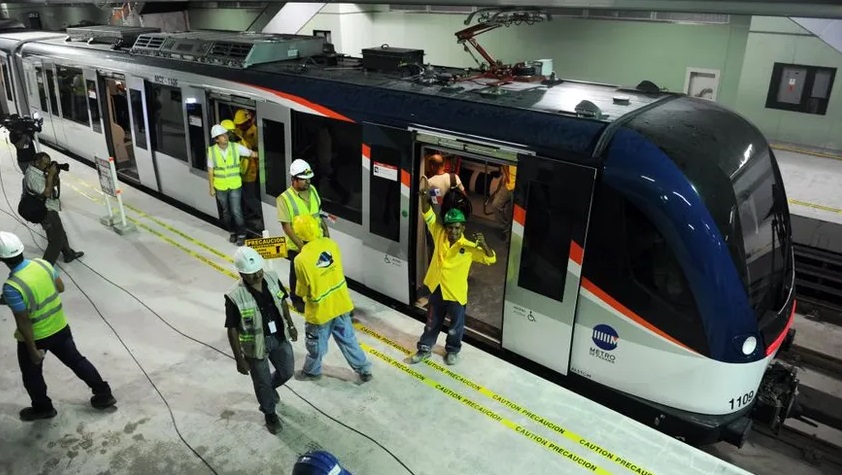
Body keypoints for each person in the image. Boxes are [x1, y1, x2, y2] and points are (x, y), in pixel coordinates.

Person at [0, 231, 115, 421]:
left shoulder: (12, 287)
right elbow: (60, 288)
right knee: (77, 361)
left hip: (37, 337)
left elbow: (23, 322)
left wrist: (33, 350)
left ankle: (43, 408)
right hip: (60, 328)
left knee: (32, 375)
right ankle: (103, 394)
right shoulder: (42, 264)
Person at [410, 176, 496, 365]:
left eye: (457, 228)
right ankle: (424, 348)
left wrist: (485, 246)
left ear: (462, 227)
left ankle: (452, 350)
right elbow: (428, 215)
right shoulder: (439, 234)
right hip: (438, 288)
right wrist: (424, 198)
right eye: (450, 228)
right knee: (432, 322)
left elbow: (490, 259)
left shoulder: (469, 247)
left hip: (457, 293)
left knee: (456, 327)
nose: (453, 232)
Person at [224, 246, 298, 434]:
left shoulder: (272, 278)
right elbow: (231, 328)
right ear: (241, 273)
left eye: (259, 271)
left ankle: (268, 390)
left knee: (287, 371)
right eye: (251, 274)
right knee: (261, 382)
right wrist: (239, 358)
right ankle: (269, 413)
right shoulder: (234, 296)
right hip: (255, 346)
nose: (257, 276)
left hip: (278, 336)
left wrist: (290, 324)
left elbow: (282, 301)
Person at [292, 214, 372, 382]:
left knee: (316, 346)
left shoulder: (301, 259)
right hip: (341, 304)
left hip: (320, 312)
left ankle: (311, 371)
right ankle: (364, 370)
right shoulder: (330, 244)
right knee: (349, 340)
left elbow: (302, 289)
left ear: (298, 234)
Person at [277, 159, 329, 313]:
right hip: (297, 245)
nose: (308, 182)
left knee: (320, 268)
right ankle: (296, 299)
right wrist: (302, 246)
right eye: (304, 179)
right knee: (297, 272)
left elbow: (317, 213)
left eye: (309, 179)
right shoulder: (284, 199)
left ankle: (318, 294)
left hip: (316, 240)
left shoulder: (312, 190)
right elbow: (286, 226)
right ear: (293, 180)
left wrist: (325, 232)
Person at [24, 152, 84, 265]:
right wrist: (51, 175)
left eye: (48, 164)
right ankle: (45, 267)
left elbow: (51, 185)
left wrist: (53, 176)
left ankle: (68, 254)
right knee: (55, 241)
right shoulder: (32, 176)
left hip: (50, 207)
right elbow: (46, 193)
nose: (47, 166)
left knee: (60, 231)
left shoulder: (39, 171)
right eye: (45, 164)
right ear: (37, 163)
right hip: (45, 211)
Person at [207, 123, 258, 246]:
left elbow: (251, 153)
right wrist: (211, 188)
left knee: (236, 211)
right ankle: (232, 233)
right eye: (222, 136)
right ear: (216, 139)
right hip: (220, 187)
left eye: (225, 134)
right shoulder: (212, 151)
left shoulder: (236, 147)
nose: (225, 137)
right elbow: (210, 170)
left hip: (235, 185)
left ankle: (241, 235)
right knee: (226, 212)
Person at [233, 109, 263, 230]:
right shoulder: (239, 131)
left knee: (250, 197)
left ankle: (263, 218)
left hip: (251, 170)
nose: (239, 126)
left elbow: (258, 152)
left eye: (241, 124)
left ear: (248, 122)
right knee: (246, 196)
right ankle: (252, 213)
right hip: (242, 169)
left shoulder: (255, 133)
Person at [487, 164, 516, 242]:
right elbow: (505, 164)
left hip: (518, 187)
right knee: (495, 205)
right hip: (508, 185)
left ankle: (511, 233)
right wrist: (507, 176)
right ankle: (506, 228)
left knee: (512, 211)